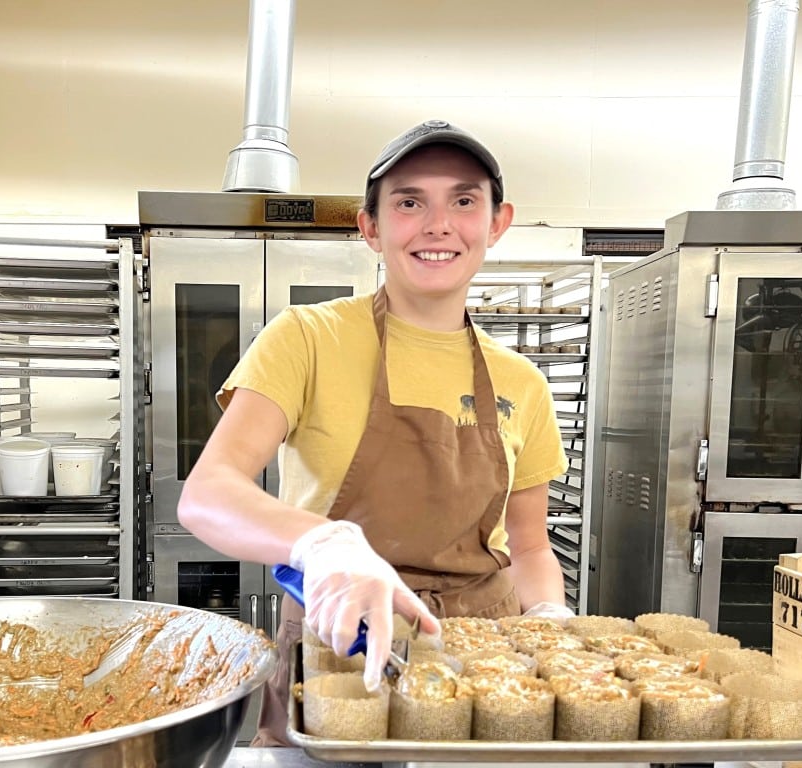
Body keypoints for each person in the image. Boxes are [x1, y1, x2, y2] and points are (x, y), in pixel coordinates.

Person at [177, 119, 572, 746]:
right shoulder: (307, 338)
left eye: (463, 201)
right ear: (371, 228)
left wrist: (548, 617)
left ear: (497, 223)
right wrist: (324, 546)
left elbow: (528, 547)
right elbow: (207, 494)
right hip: (339, 648)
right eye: (409, 203)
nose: (438, 225)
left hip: (478, 658)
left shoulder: (522, 383)